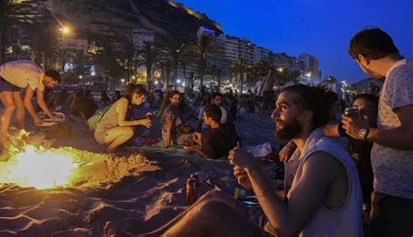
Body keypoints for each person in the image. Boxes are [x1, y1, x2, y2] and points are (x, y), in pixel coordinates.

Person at [103, 85, 363, 237]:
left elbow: (287, 226)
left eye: (283, 107)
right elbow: (297, 198)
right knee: (214, 197)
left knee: (212, 212)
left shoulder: (322, 157)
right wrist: (253, 186)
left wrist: (253, 168)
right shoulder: (307, 149)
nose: (273, 114)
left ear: (306, 115)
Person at [343, 28, 413, 237]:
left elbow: (411, 135)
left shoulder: (401, 75)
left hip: (400, 193)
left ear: (362, 59)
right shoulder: (402, 73)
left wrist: (364, 132)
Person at [279, 93, 378, 207]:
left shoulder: (383, 136)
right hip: (353, 185)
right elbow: (321, 129)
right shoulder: (351, 129)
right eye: (355, 109)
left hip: (369, 192)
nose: (360, 114)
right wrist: (291, 145)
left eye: (367, 110)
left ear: (377, 114)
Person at [0, 60, 60, 147]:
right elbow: (27, 102)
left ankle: (22, 131)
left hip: (13, 79)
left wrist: (52, 117)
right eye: (53, 83)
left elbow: (40, 101)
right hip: (1, 76)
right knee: (11, 107)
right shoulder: (35, 76)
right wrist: (35, 118)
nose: (52, 86)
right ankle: (2, 135)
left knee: (20, 107)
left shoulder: (41, 77)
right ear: (49, 78)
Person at [93, 84, 152, 152]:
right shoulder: (124, 102)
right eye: (143, 98)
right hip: (102, 134)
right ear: (136, 96)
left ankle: (119, 146)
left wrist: (144, 119)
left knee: (139, 129)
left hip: (113, 131)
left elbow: (131, 121)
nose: (143, 101)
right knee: (129, 132)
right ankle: (110, 149)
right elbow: (122, 123)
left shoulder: (131, 105)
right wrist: (141, 121)